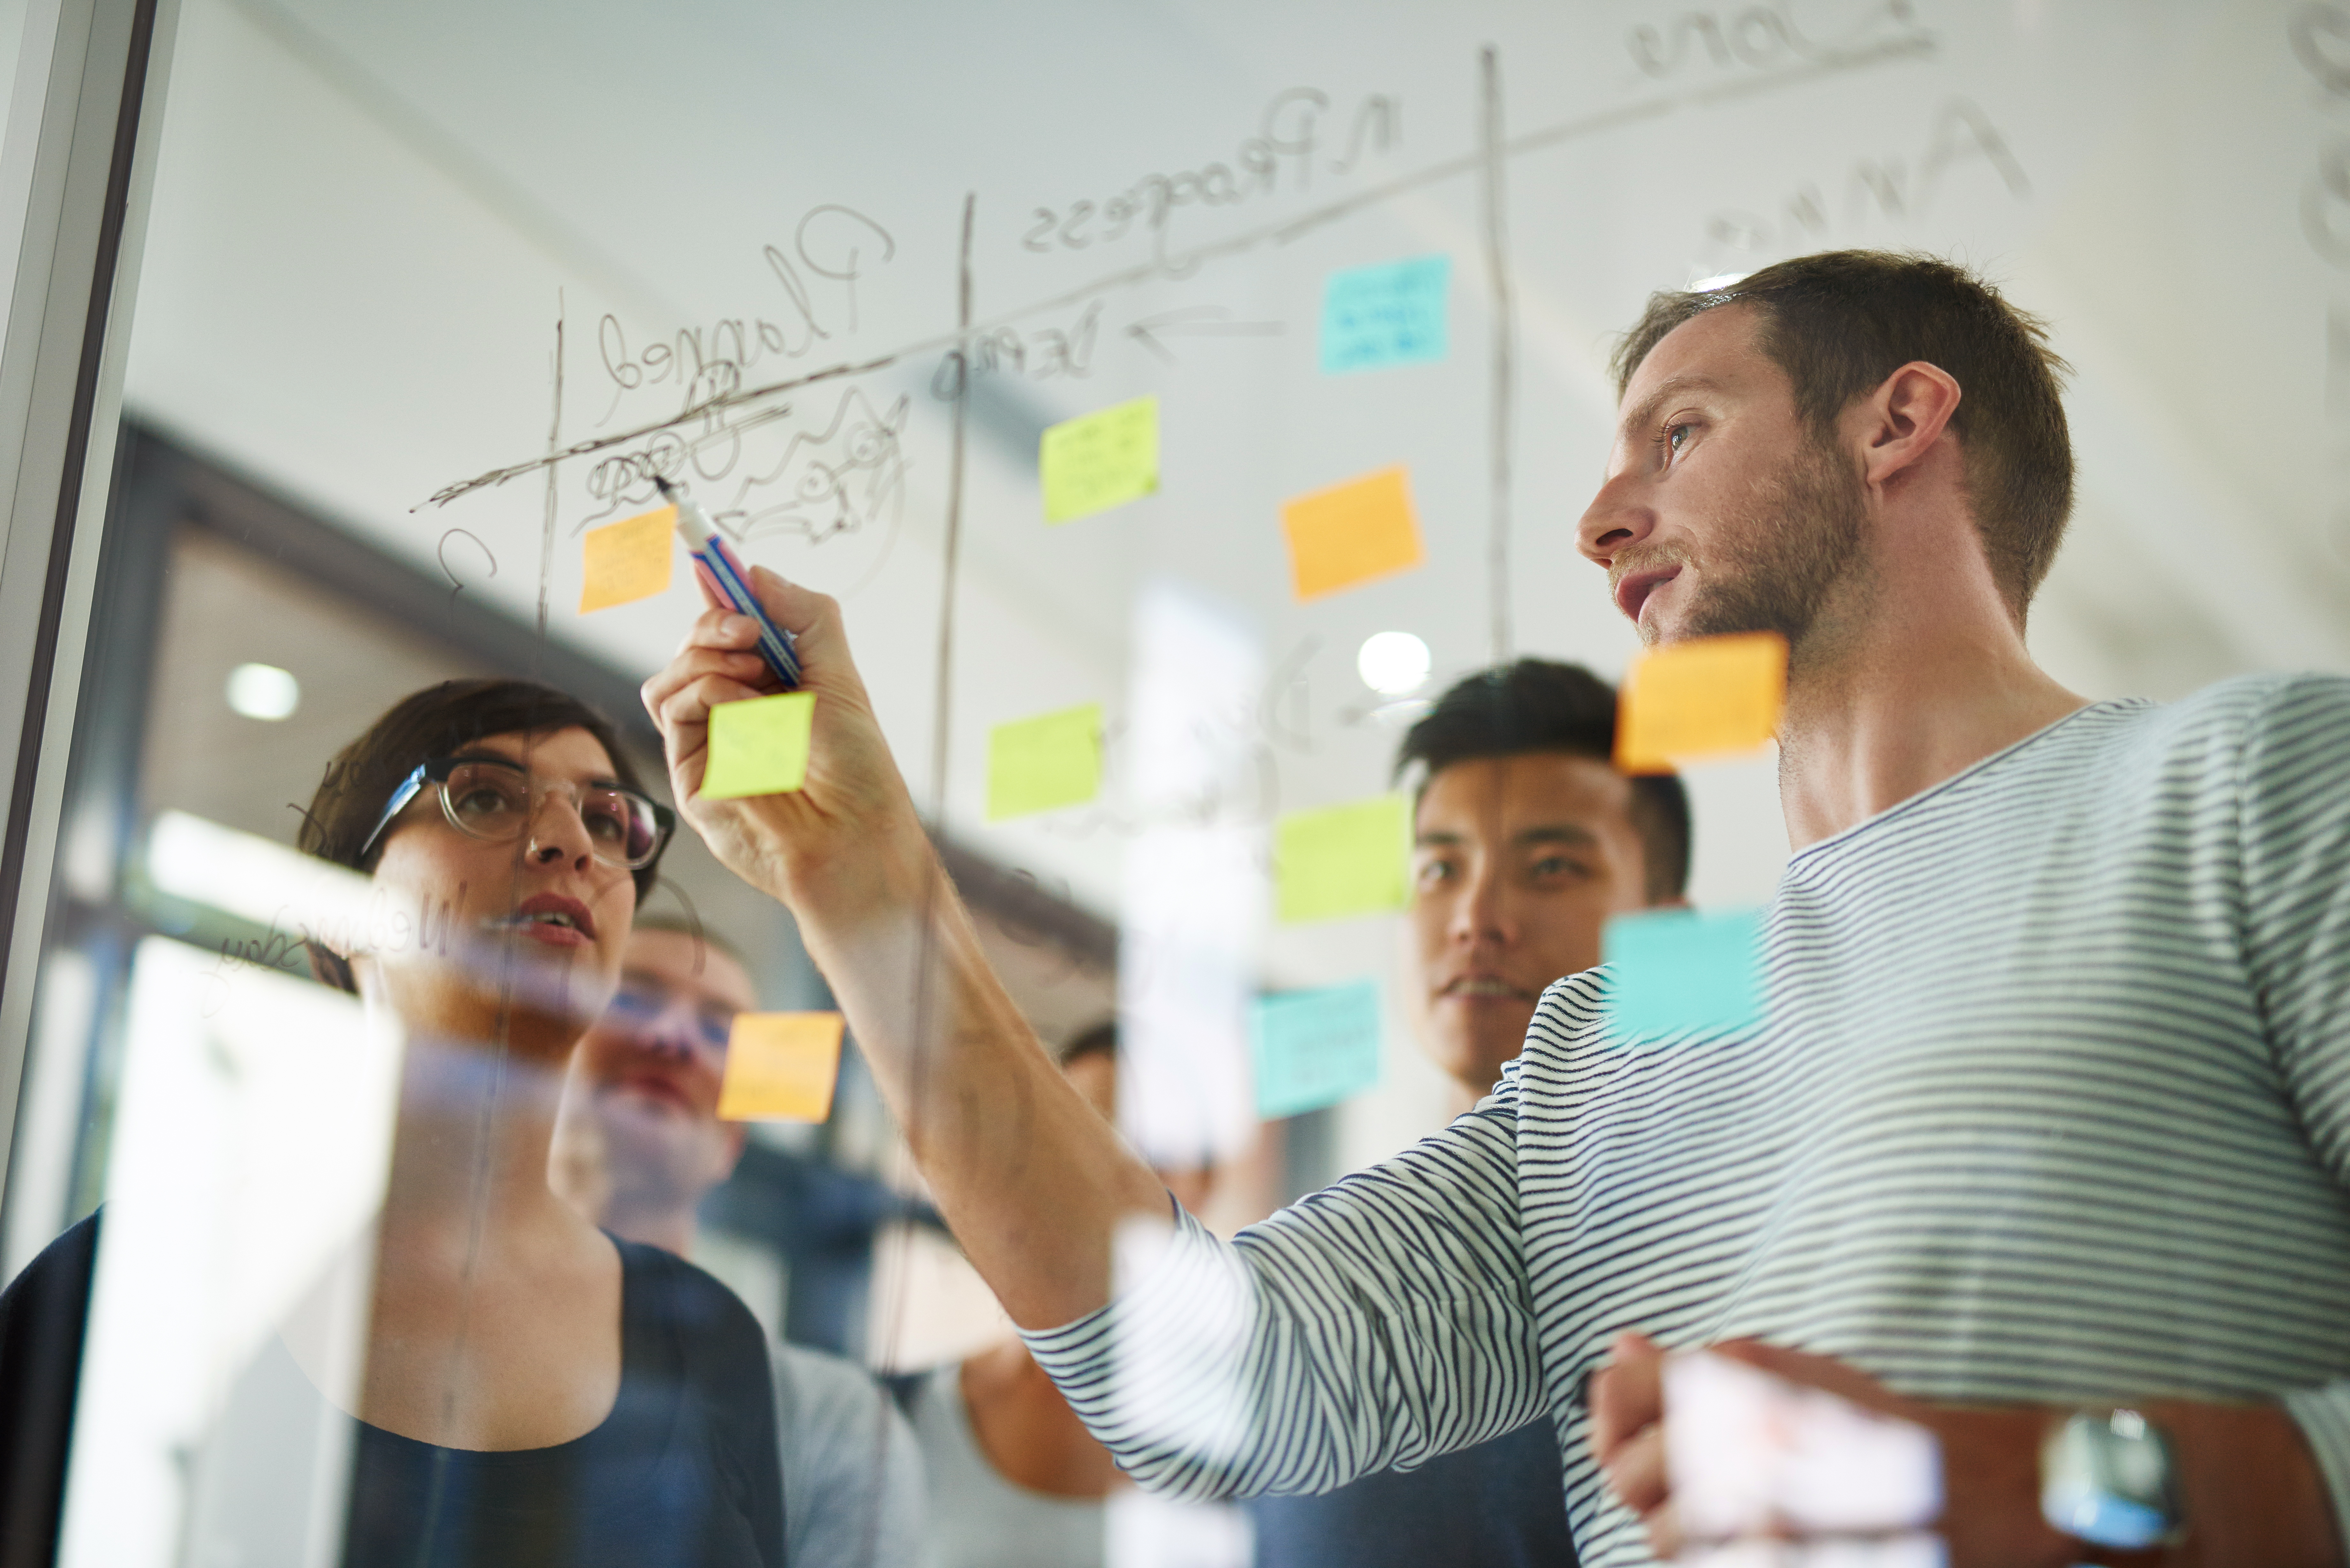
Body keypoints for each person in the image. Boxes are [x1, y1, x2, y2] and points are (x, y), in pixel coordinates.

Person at [641, 249, 2350, 1568]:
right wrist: (862, 880)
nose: (1603, 522)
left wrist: (2075, 1486)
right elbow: (1219, 1382)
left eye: (1679, 434)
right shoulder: (1605, 1049)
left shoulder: (2256, 783)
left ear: (1896, 423)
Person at [0, 679, 785, 1567]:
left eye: (607, 821)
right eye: (483, 797)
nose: (571, 842)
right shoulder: (151, 1277)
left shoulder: (707, 1342)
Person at [1247, 658, 1688, 1568]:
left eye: (1552, 866)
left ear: (1667, 936)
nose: (1475, 917)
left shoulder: (1706, 1264)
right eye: (1439, 868)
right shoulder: (1336, 1287)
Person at [553, 908, 926, 1568]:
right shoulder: (402, 1323)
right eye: (631, 998)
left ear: (732, 1142)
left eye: (718, 1031)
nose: (672, 1037)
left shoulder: (828, 1423)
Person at [896, 1023, 1186, 1568]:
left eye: (1140, 1151)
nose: (1089, 1177)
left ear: (1202, 1182)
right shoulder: (896, 1421)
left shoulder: (1270, 1442)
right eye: (1064, 1143)